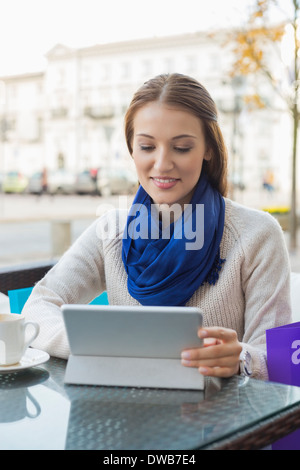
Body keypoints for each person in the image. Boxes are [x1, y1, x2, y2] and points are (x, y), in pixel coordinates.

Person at [22, 73, 292, 380]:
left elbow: (277, 358)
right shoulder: (111, 230)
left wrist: (240, 359)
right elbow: (38, 307)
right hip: (126, 414)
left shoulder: (257, 234)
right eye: (147, 147)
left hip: (221, 418)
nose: (162, 164)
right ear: (132, 150)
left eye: (181, 147)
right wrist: (107, 346)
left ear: (208, 149)